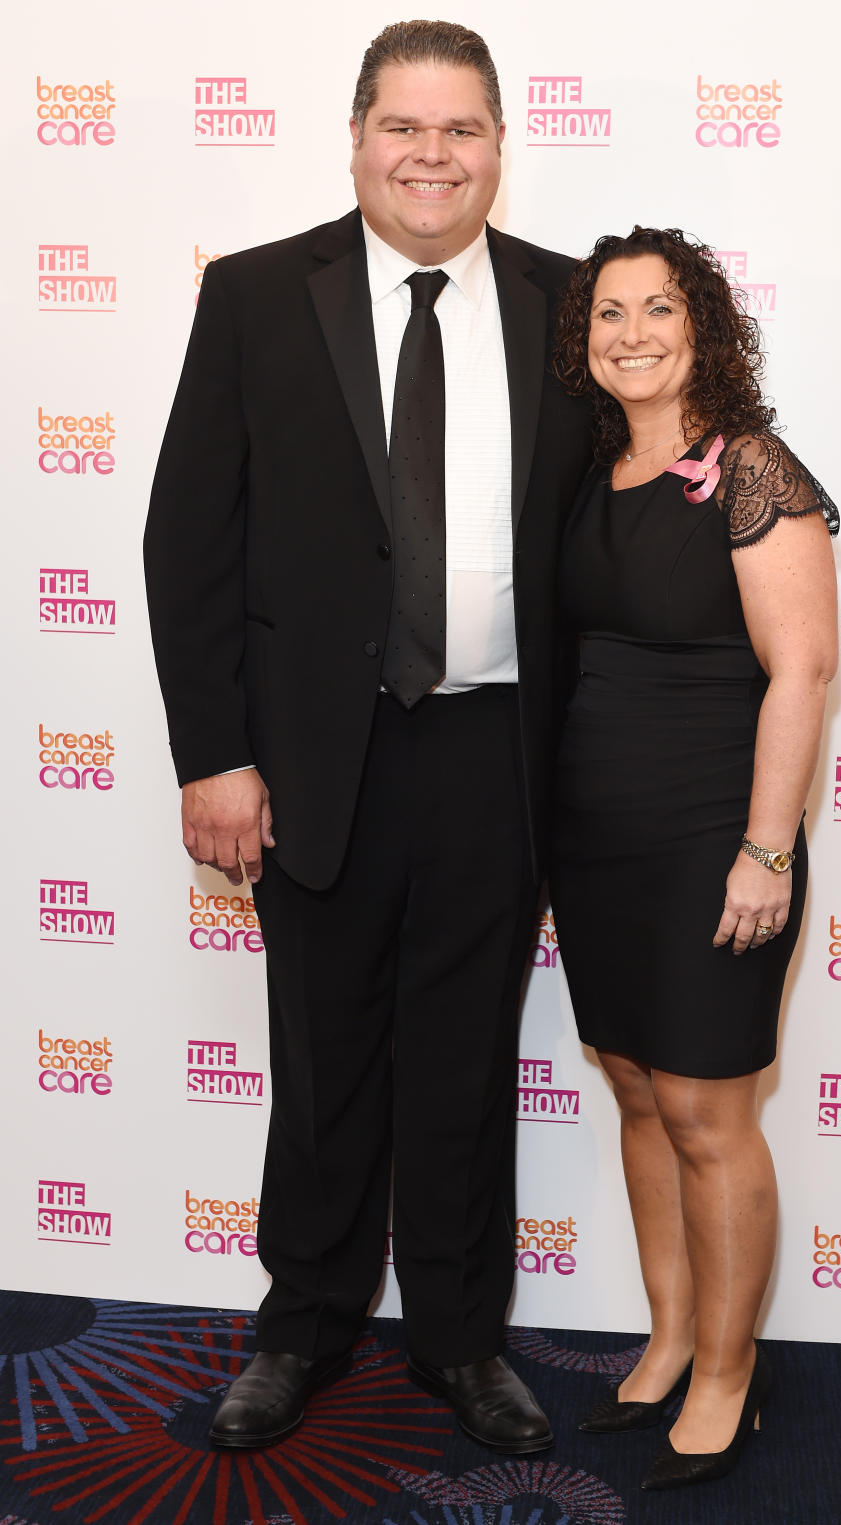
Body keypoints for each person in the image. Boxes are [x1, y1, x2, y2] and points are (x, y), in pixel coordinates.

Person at [143, 20, 592, 1454]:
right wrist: (213, 754)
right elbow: (186, 539)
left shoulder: (568, 304)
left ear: (500, 149)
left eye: (461, 130)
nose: (431, 156)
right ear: (355, 137)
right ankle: (305, 1325)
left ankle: (464, 1341)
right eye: (404, 126)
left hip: (496, 749)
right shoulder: (263, 295)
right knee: (324, 1053)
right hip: (312, 756)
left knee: (464, 1057)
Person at [549, 227, 839, 1490]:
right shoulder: (593, 472)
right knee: (633, 1088)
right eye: (608, 314)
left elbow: (805, 669)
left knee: (711, 1116)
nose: (631, 334)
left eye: (657, 309)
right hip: (594, 843)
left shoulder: (753, 468)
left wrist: (766, 853)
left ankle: (731, 1372)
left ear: (702, 325)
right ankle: (671, 1339)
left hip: (716, 842)